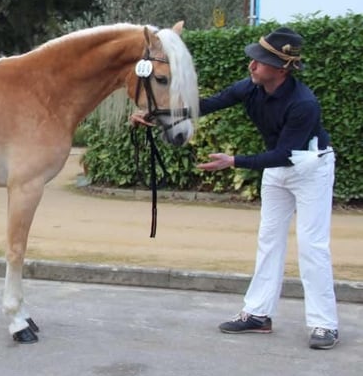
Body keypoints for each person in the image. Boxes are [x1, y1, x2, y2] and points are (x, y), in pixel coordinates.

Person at [132, 26, 339, 349]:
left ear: (283, 69)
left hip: (310, 166)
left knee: (313, 246)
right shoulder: (251, 87)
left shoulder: (304, 104)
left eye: (260, 61)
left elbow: (285, 154)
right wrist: (155, 113)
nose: (252, 65)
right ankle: (258, 314)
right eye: (254, 58)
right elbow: (209, 104)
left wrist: (234, 161)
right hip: (277, 168)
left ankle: (325, 324)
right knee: (269, 240)